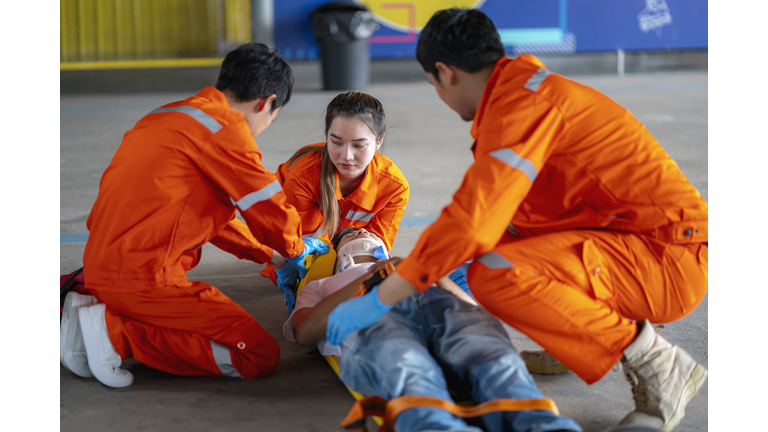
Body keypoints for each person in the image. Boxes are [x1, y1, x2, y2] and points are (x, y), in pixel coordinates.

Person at [326, 8, 708, 432]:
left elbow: (472, 220)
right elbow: (506, 216)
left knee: (495, 275)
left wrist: (382, 297)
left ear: (444, 73)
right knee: (498, 245)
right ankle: (572, 335)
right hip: (641, 243)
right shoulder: (520, 92)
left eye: (433, 84)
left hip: (670, 260)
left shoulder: (521, 107)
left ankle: (661, 365)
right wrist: (438, 265)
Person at [59, 43, 330, 388]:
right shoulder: (225, 129)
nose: (265, 125)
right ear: (266, 103)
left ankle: (102, 319)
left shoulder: (166, 117)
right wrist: (296, 248)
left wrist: (269, 256)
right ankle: (115, 333)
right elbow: (268, 206)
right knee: (258, 355)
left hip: (99, 267)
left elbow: (211, 216)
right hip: (147, 278)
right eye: (271, 118)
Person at [284, 227, 581, 432]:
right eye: (351, 233)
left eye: (367, 232)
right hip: (372, 317)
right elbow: (304, 332)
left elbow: (472, 310)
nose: (361, 232)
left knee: (492, 356)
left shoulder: (414, 265)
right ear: (337, 255)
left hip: (437, 303)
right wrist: (371, 280)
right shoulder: (320, 285)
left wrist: (420, 271)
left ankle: (543, 425)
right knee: (408, 369)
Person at [228, 91, 409, 312]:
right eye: (336, 142)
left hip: (335, 246)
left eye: (359, 145)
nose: (346, 156)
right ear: (327, 137)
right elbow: (299, 247)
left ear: (379, 140)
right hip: (294, 245)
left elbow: (376, 246)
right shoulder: (304, 176)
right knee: (317, 274)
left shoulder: (394, 187)